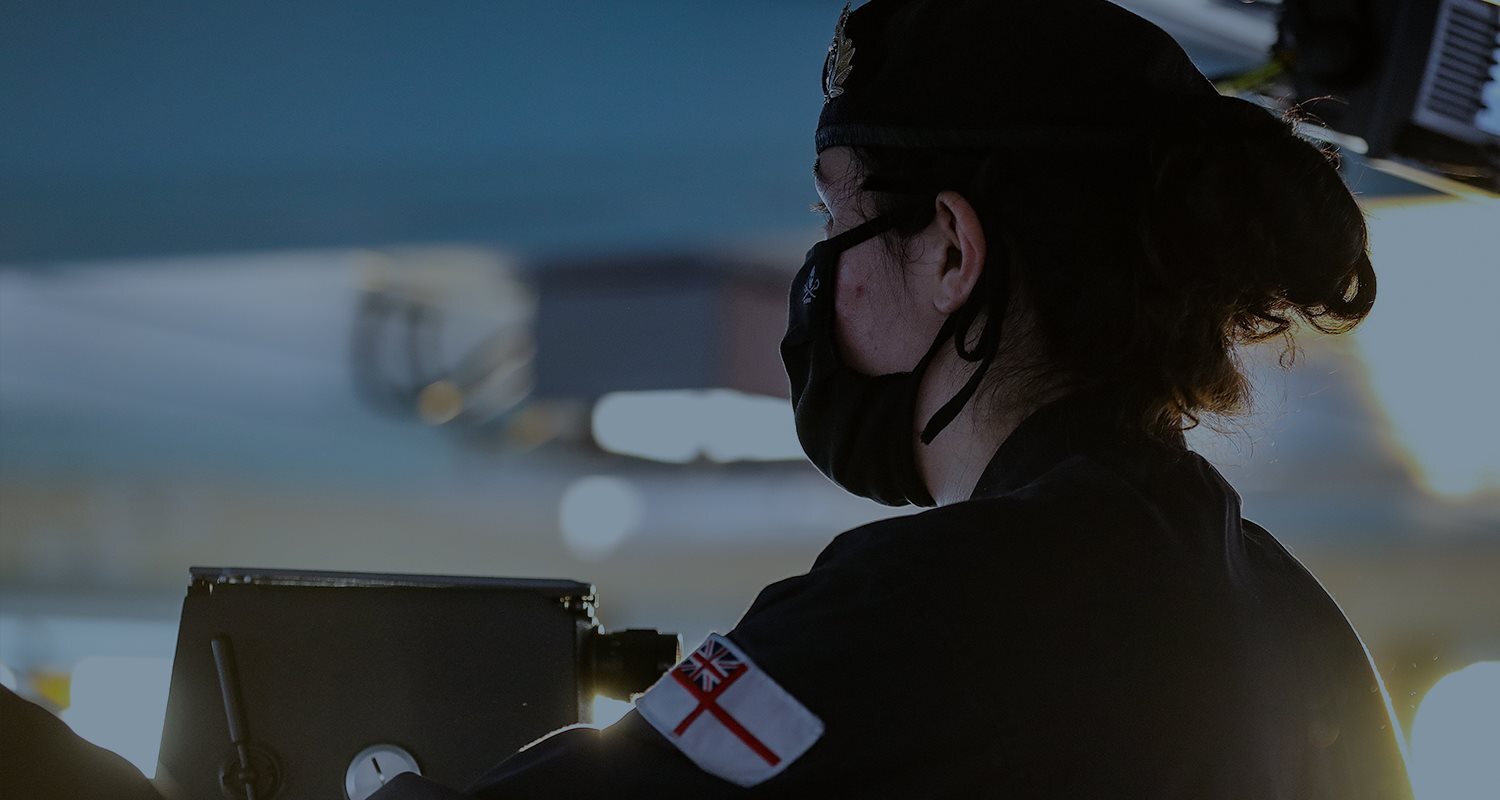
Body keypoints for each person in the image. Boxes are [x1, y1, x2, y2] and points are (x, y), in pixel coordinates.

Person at [377, 1, 1414, 796]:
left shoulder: (954, 596)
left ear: (953, 250)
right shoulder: (1295, 621)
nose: (824, 269)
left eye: (837, 221)